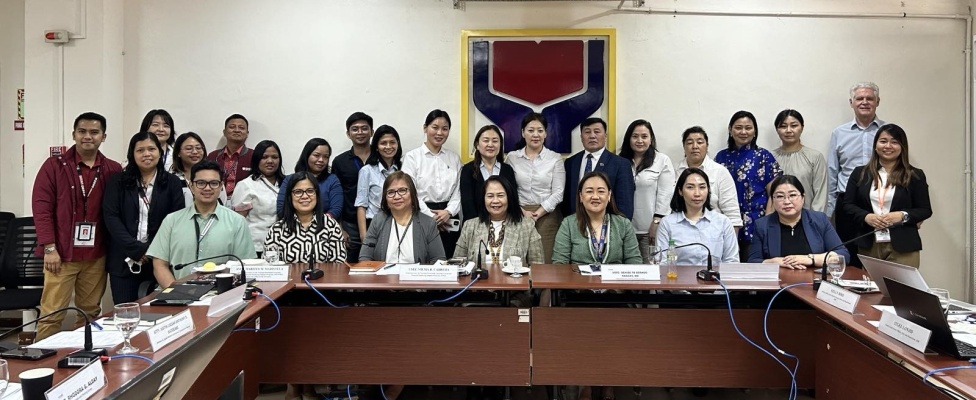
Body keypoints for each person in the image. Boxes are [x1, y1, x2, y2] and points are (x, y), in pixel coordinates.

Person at [31, 112, 123, 340]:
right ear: (74, 134)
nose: (87, 137)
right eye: (82, 131)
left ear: (104, 136)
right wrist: (49, 248)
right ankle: (42, 362)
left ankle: (83, 359)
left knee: (90, 313)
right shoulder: (54, 166)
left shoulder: (112, 169)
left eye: (94, 132)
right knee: (52, 313)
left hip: (96, 255)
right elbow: (41, 208)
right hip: (61, 255)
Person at [103, 132, 184, 304]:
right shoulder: (118, 181)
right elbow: (111, 217)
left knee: (160, 313)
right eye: (140, 150)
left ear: (160, 153)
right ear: (132, 154)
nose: (146, 154)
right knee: (126, 311)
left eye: (151, 149)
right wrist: (135, 249)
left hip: (160, 261)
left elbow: (176, 220)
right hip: (123, 260)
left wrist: (152, 250)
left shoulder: (172, 183)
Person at [147, 160, 256, 288]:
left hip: (220, 296)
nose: (207, 188)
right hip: (176, 295)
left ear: (221, 186)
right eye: (201, 183)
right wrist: (177, 292)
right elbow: (159, 264)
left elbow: (243, 265)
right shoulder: (171, 220)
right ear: (191, 186)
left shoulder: (237, 222)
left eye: (214, 183)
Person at [842, 124, 931, 268]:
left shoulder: (915, 175)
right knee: (871, 289)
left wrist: (902, 215)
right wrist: (867, 217)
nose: (888, 146)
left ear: (902, 147)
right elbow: (847, 205)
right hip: (869, 242)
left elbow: (925, 209)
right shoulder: (860, 173)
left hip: (903, 245)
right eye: (883, 141)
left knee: (901, 289)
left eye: (894, 142)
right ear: (875, 145)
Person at [828, 82, 886, 266]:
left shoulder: (888, 132)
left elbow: (900, 167)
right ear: (851, 102)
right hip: (848, 202)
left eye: (870, 98)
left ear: (878, 101)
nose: (864, 102)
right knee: (849, 254)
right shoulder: (839, 133)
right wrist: (830, 210)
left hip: (881, 201)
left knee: (878, 255)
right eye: (859, 98)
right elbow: (832, 172)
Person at [715, 111, 782, 261]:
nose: (743, 132)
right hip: (727, 221)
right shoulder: (721, 157)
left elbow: (774, 192)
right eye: (738, 127)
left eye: (748, 128)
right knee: (727, 267)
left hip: (757, 221)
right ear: (730, 130)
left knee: (754, 266)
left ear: (755, 131)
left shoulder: (764, 156)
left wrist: (767, 222)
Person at [747, 175, 850, 269]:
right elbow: (752, 262)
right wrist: (774, 262)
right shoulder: (762, 225)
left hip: (812, 284)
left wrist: (811, 259)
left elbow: (843, 256)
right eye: (779, 196)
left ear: (803, 197)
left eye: (792, 195)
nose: (787, 201)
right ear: (772, 201)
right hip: (778, 285)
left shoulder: (819, 220)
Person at [401, 109, 462, 258]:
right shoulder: (412, 157)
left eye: (445, 129)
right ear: (425, 128)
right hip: (421, 214)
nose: (440, 133)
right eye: (435, 127)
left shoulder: (454, 158)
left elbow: (458, 191)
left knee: (449, 261)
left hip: (449, 217)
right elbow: (410, 191)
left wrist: (448, 212)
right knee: (422, 261)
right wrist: (431, 217)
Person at [506, 113, 565, 264]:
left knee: (544, 262)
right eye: (530, 130)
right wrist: (522, 211)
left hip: (547, 216)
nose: (535, 135)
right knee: (518, 261)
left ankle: (545, 289)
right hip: (518, 214)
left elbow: (558, 193)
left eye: (540, 130)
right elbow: (508, 189)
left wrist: (538, 213)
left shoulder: (555, 158)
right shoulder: (512, 157)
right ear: (522, 132)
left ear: (545, 133)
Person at [553, 172, 641, 265]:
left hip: (613, 279)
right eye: (589, 191)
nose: (595, 196)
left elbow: (634, 261)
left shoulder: (623, 224)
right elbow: (559, 263)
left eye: (601, 191)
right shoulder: (568, 224)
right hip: (578, 278)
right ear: (581, 196)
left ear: (609, 195)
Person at [656, 168, 739, 266]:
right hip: (679, 279)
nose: (697, 194)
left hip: (714, 279)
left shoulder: (723, 222)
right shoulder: (668, 223)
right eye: (690, 187)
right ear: (680, 191)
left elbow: (732, 261)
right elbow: (662, 263)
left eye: (702, 187)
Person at [618, 119, 675, 261]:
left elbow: (665, 194)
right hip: (622, 229)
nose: (639, 140)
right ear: (628, 139)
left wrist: (657, 223)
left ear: (651, 139)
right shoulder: (619, 160)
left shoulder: (661, 160)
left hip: (649, 229)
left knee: (650, 269)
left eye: (644, 136)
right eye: (635, 136)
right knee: (623, 272)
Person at [359, 171, 446, 264]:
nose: (396, 196)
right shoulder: (378, 221)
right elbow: (365, 258)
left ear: (412, 194)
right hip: (383, 278)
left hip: (416, 278)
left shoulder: (428, 223)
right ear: (385, 198)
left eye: (402, 190)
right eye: (391, 192)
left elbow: (439, 261)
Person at [455, 176, 544, 265]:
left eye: (500, 195)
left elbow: (538, 266)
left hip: (515, 278)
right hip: (478, 279)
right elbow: (457, 264)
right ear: (483, 199)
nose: (495, 201)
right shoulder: (470, 226)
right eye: (490, 196)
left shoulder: (527, 226)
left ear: (509, 198)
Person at [264, 171, 347, 263]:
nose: (305, 196)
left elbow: (339, 265)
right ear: (290, 196)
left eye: (310, 191)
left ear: (317, 195)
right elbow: (270, 268)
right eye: (298, 192)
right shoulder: (277, 229)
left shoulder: (331, 226)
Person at [563, 117, 635, 219]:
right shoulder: (571, 162)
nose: (592, 136)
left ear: (605, 136)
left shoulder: (620, 164)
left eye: (597, 132)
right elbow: (566, 201)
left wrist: (619, 229)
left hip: (608, 226)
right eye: (587, 132)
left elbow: (625, 204)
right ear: (581, 137)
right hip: (576, 224)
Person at [675, 126, 743, 232]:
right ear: (684, 147)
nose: (695, 146)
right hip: (680, 232)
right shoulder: (675, 171)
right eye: (689, 143)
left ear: (707, 146)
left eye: (700, 142)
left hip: (714, 233)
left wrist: (732, 245)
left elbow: (732, 214)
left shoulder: (720, 172)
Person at [229, 140, 284, 257]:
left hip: (283, 244)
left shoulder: (286, 183)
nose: (270, 161)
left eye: (274, 157)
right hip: (257, 245)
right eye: (264, 157)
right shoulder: (246, 185)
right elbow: (238, 221)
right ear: (256, 159)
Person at [332, 112, 374, 261]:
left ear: (372, 132)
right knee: (349, 268)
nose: (360, 132)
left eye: (364, 128)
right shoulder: (340, 161)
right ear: (348, 134)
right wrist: (340, 228)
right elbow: (336, 196)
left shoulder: (381, 157)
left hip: (379, 222)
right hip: (350, 225)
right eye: (355, 129)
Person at [771, 109, 828, 212]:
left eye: (794, 126)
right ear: (777, 129)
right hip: (775, 220)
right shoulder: (769, 158)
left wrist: (814, 221)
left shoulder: (815, 157)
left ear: (802, 128)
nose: (788, 130)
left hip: (807, 220)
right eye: (783, 126)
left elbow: (820, 195)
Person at [355, 125, 402, 244]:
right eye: (383, 143)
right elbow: (361, 205)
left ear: (398, 144)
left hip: (400, 224)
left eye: (392, 142)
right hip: (375, 225)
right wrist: (364, 236)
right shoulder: (367, 171)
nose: (388, 147)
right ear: (376, 146)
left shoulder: (403, 169)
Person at [460, 125, 517, 221]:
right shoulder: (468, 170)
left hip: (505, 225)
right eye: (486, 140)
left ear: (500, 145)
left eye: (495, 141)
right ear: (477, 145)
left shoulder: (508, 170)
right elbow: (467, 203)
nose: (490, 144)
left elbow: (513, 200)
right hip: (476, 225)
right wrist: (479, 227)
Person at [276, 138, 343, 219]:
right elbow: (281, 209)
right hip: (293, 227)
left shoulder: (332, 180)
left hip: (324, 227)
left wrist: (318, 223)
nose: (321, 160)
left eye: (326, 157)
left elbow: (336, 209)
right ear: (306, 155)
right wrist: (302, 224)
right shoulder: (290, 179)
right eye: (316, 155)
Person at [172, 131, 227, 207]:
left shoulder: (214, 175)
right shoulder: (171, 178)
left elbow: (222, 202)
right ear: (178, 153)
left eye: (198, 148)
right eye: (189, 148)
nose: (195, 152)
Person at [206, 113, 253, 197]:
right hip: (216, 202)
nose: (237, 130)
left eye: (241, 128)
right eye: (232, 127)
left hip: (243, 204)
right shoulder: (212, 156)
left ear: (247, 133)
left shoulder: (254, 156)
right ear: (224, 132)